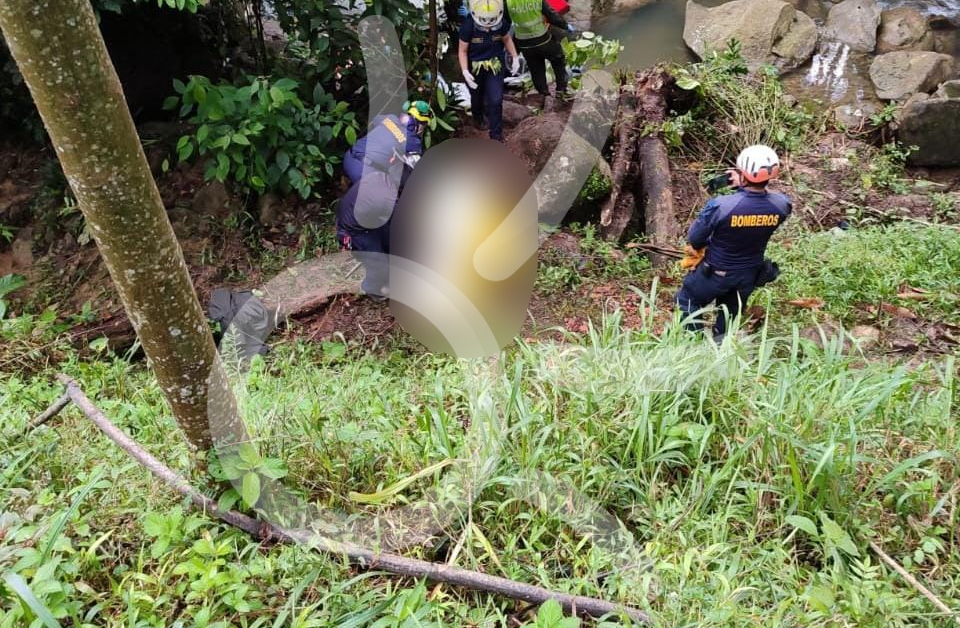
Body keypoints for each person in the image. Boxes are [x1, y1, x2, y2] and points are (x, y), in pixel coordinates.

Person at [675, 144, 791, 342]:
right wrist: (743, 185)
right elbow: (755, 208)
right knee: (728, 317)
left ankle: (692, 345)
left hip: (716, 274)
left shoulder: (721, 205)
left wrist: (739, 187)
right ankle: (720, 350)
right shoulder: (781, 205)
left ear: (743, 173)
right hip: (748, 276)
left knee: (687, 300)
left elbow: (695, 239)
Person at [336, 152, 417, 301]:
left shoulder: (384, 178)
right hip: (354, 231)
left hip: (372, 219)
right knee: (379, 263)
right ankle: (372, 289)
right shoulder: (386, 197)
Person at [459, 0, 520, 141]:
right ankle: (478, 117)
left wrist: (515, 57)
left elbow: (507, 39)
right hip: (474, 67)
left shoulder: (501, 24)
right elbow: (462, 51)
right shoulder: (468, 26)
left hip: (495, 65)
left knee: (496, 99)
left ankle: (496, 135)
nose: (488, 24)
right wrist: (465, 71)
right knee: (477, 96)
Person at [342, 101, 431, 184]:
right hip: (363, 172)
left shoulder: (389, 118)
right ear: (419, 125)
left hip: (348, 157)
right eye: (425, 125)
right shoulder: (412, 140)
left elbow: (376, 121)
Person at [504, 0, 573, 105]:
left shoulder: (507, 2)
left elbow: (506, 21)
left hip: (524, 43)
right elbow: (551, 15)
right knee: (558, 59)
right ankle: (561, 90)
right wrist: (565, 25)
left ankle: (543, 94)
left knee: (535, 69)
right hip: (542, 39)